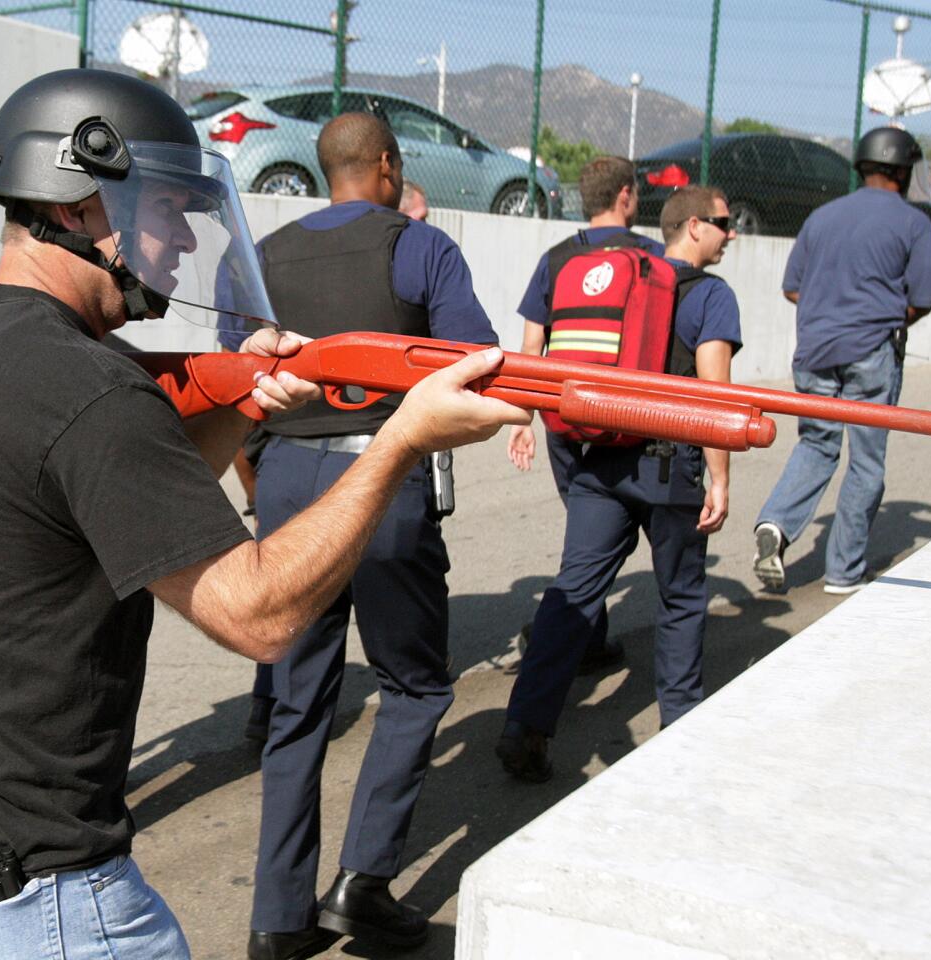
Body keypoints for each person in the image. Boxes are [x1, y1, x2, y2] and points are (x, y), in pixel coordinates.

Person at [0, 69, 528, 960]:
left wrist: (248, 402)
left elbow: (117, 512)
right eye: (163, 206)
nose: (185, 235)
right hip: (25, 895)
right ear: (74, 204)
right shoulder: (89, 387)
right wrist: (402, 439)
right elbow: (258, 616)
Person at [240, 112, 498, 960]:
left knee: (295, 702)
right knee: (416, 685)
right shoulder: (420, 247)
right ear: (386, 166)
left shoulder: (268, 257)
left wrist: (263, 481)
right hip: (381, 481)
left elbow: (239, 386)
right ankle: (364, 882)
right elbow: (477, 367)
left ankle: (278, 919)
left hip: (285, 480)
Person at [496, 185, 741, 782]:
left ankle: (525, 724)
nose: (731, 234)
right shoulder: (710, 294)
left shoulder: (623, 277)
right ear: (692, 227)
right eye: (723, 224)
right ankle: (680, 735)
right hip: (670, 466)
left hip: (599, 458)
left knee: (574, 590)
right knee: (681, 597)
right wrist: (720, 477)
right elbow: (713, 394)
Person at [753, 127, 931, 595]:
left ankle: (776, 523)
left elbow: (792, 287)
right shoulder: (913, 222)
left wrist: (830, 312)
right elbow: (924, 296)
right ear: (903, 169)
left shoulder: (822, 217)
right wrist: (883, 319)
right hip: (871, 351)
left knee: (817, 444)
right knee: (866, 461)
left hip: (814, 349)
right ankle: (843, 572)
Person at [507, 155, 666, 671]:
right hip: (636, 422)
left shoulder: (556, 258)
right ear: (625, 196)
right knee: (602, 535)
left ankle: (578, 634)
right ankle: (584, 636)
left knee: (585, 526)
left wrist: (524, 419)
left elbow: (532, 347)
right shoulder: (657, 260)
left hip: (565, 417)